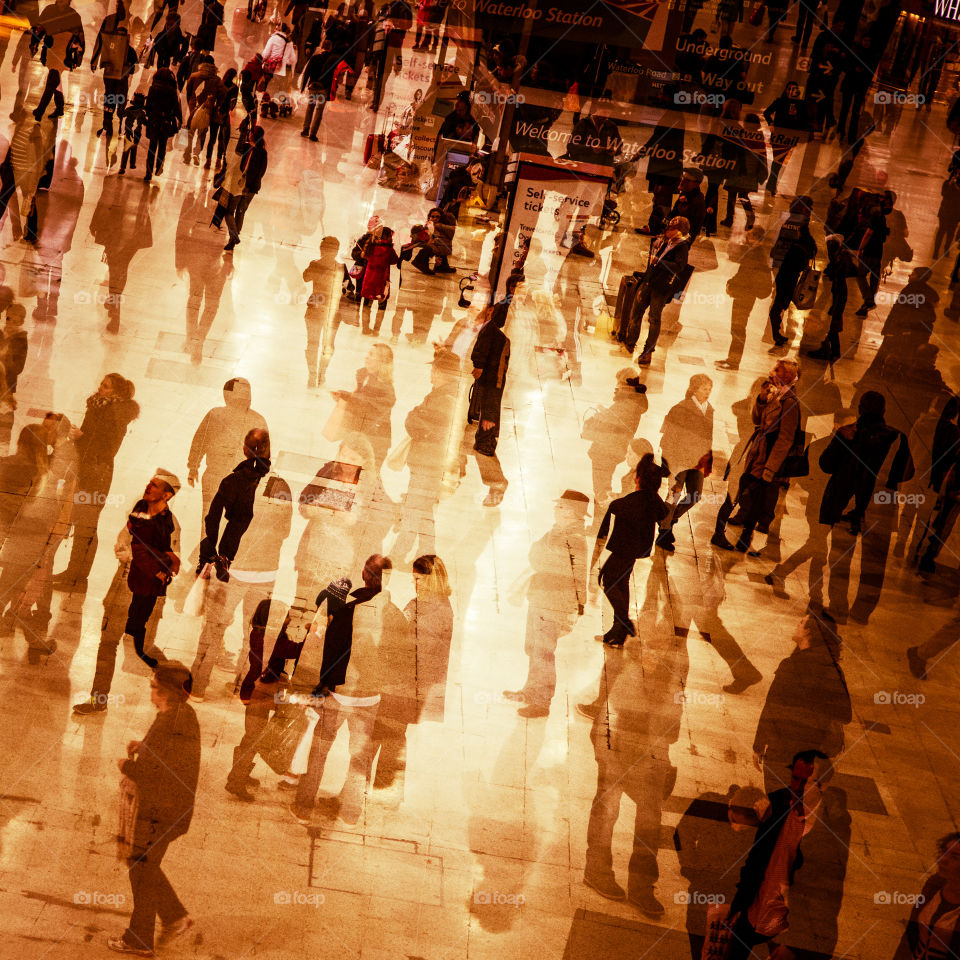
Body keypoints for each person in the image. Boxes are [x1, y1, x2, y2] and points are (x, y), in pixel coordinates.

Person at [291, 554, 392, 826]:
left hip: (341, 692)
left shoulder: (350, 608)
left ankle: (303, 806)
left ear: (363, 574)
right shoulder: (392, 611)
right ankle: (351, 811)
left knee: (320, 750)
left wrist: (321, 687)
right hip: (370, 697)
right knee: (360, 756)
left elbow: (332, 651)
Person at [108, 661, 200, 957]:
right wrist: (143, 747)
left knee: (142, 868)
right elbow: (166, 756)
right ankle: (174, 918)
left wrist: (127, 766)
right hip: (172, 810)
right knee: (143, 866)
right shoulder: (182, 714)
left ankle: (140, 939)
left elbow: (153, 773)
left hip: (162, 812)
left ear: (166, 692)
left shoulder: (169, 721)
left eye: (153, 685)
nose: (149, 689)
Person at [73, 472, 182, 716]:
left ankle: (176, 686)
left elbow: (171, 562)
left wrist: (132, 556)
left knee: (141, 647)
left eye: (154, 485)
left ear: (166, 495)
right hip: (121, 586)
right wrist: (122, 544)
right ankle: (98, 697)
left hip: (143, 592)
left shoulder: (170, 525)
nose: (147, 487)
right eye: (148, 482)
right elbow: (126, 532)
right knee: (108, 642)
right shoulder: (141, 510)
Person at [725, 750, 828, 960]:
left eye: (805, 782)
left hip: (789, 921)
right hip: (757, 909)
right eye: (795, 778)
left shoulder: (826, 828)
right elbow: (756, 860)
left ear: (821, 785)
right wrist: (739, 904)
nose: (797, 788)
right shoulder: (778, 803)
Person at [502, 490, 588, 717]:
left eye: (560, 506)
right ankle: (530, 691)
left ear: (571, 511)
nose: (555, 509)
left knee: (543, 652)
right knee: (534, 648)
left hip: (553, 603)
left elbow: (548, 561)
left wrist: (578, 606)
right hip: (542, 598)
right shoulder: (559, 531)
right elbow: (536, 555)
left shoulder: (574, 539)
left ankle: (541, 702)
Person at [54, 373, 139, 589]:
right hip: (86, 469)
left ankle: (77, 577)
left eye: (107, 386)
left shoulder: (115, 414)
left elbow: (109, 448)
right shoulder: (97, 407)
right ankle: (73, 572)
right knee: (82, 522)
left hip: (97, 473)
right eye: (101, 384)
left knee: (86, 525)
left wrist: (81, 437)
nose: (101, 388)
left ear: (117, 392)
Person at [715, 360, 801, 554]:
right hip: (756, 455)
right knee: (738, 493)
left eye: (777, 369)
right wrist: (761, 399)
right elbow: (757, 420)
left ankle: (744, 537)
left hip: (767, 459)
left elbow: (785, 439)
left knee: (754, 498)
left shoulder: (790, 403)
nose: (771, 371)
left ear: (785, 376)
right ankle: (723, 533)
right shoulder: (775, 394)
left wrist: (770, 468)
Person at [590, 454, 669, 646]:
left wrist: (613, 502)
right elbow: (663, 513)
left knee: (607, 580)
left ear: (639, 479)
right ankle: (617, 631)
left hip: (624, 548)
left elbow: (618, 508)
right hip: (637, 549)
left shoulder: (632, 502)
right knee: (621, 583)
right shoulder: (653, 500)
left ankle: (624, 623)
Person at [818, 391, 913, 535]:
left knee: (836, 550)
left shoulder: (848, 432)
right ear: (883, 412)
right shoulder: (898, 438)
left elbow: (826, 464)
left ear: (860, 409)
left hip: (840, 509)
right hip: (880, 515)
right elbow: (905, 475)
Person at [187, 378, 268, 523]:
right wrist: (193, 466)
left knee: (217, 519)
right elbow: (200, 441)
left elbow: (199, 441)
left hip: (236, 478)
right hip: (223, 476)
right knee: (216, 518)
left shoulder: (256, 419)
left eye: (247, 391)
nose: (245, 396)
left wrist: (193, 466)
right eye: (242, 391)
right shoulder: (217, 415)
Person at [196, 428, 271, 580]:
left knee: (212, 521)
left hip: (230, 486)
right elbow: (263, 462)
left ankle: (206, 559)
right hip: (245, 497)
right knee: (238, 525)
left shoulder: (238, 474)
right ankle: (225, 557)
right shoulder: (261, 468)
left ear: (245, 448)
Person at [620, 216, 691, 366]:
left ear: (679, 232)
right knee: (636, 312)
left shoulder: (681, 246)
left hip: (661, 287)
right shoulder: (665, 241)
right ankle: (630, 341)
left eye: (672, 229)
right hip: (649, 282)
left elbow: (679, 266)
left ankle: (647, 352)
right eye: (669, 229)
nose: (668, 231)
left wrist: (659, 262)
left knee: (654, 319)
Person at [656, 375, 714, 552]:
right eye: (705, 388)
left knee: (695, 496)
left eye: (710, 388)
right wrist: (669, 462)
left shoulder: (709, 410)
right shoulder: (680, 408)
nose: (708, 392)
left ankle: (671, 518)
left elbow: (708, 437)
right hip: (679, 460)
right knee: (674, 495)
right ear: (695, 389)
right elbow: (667, 437)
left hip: (697, 462)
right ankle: (664, 532)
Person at [894, 832, 960, 959]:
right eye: (944, 852)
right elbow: (910, 933)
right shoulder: (934, 884)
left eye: (954, 857)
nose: (943, 860)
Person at [333, 344, 396, 468]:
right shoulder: (365, 376)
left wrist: (348, 398)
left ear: (382, 361)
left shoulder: (385, 388)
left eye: (371, 355)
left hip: (372, 443)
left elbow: (368, 408)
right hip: (357, 437)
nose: (366, 357)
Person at [469, 287, 511, 461]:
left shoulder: (490, 332)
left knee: (490, 411)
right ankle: (484, 442)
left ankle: (485, 442)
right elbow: (480, 352)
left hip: (494, 377)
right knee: (489, 410)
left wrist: (478, 366)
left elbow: (481, 353)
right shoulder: (489, 330)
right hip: (492, 377)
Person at [90, 1, 138, 150]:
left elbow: (134, 65)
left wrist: (127, 68)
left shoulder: (133, 22)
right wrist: (96, 60)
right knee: (110, 99)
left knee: (119, 101)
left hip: (120, 77)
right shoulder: (109, 20)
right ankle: (107, 126)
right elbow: (102, 41)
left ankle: (118, 127)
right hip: (111, 74)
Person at [768, 208, 816, 346]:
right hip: (793, 280)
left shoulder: (796, 247)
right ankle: (777, 333)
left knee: (777, 308)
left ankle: (776, 334)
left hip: (785, 279)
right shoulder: (807, 247)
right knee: (782, 306)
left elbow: (786, 264)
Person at [32, 0, 85, 121]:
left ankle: (39, 111)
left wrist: (78, 56)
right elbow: (40, 28)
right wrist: (34, 43)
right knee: (56, 81)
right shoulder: (49, 10)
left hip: (63, 53)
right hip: (50, 49)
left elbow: (80, 38)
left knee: (51, 82)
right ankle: (60, 108)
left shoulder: (74, 15)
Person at [806, 234, 852, 361]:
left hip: (839, 293)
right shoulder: (838, 256)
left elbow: (840, 272)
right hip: (838, 292)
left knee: (834, 323)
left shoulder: (841, 257)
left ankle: (830, 350)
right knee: (833, 323)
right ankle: (831, 349)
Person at [223, 124, 268, 252]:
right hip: (248, 187)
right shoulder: (260, 151)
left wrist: (247, 185)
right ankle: (234, 237)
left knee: (231, 211)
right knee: (240, 212)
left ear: (252, 135)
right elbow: (261, 172)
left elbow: (257, 172)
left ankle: (233, 237)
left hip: (244, 186)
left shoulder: (250, 149)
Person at [762, 81, 812, 195]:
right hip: (779, 135)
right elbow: (766, 112)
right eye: (789, 89)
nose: (791, 91)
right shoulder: (780, 102)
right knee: (778, 161)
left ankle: (771, 184)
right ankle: (771, 185)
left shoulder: (801, 105)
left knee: (779, 161)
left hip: (790, 137)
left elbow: (805, 120)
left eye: (794, 89)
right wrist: (771, 123)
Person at [357, 224, 398, 334]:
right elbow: (395, 260)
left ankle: (365, 328)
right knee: (382, 305)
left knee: (366, 304)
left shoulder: (371, 246)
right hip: (382, 281)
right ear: (387, 236)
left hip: (369, 279)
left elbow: (363, 256)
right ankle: (376, 330)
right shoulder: (389, 250)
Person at [143, 67, 181, 181]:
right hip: (166, 121)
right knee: (162, 146)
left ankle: (148, 173)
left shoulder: (153, 88)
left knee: (152, 146)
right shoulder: (172, 90)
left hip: (154, 120)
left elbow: (148, 105)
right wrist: (178, 120)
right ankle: (159, 167)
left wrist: (149, 115)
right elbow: (176, 107)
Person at [299, 39, 338, 140]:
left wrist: (303, 87)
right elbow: (333, 77)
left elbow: (307, 73)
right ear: (330, 48)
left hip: (313, 86)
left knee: (310, 108)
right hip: (323, 89)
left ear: (321, 47)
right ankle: (313, 134)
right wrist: (331, 92)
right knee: (319, 112)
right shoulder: (332, 60)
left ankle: (305, 130)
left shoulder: (315, 58)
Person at [260, 22, 296, 90]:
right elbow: (293, 60)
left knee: (268, 91)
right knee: (278, 94)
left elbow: (265, 55)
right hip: (283, 74)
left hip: (271, 70)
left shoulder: (273, 38)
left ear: (278, 29)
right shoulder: (289, 43)